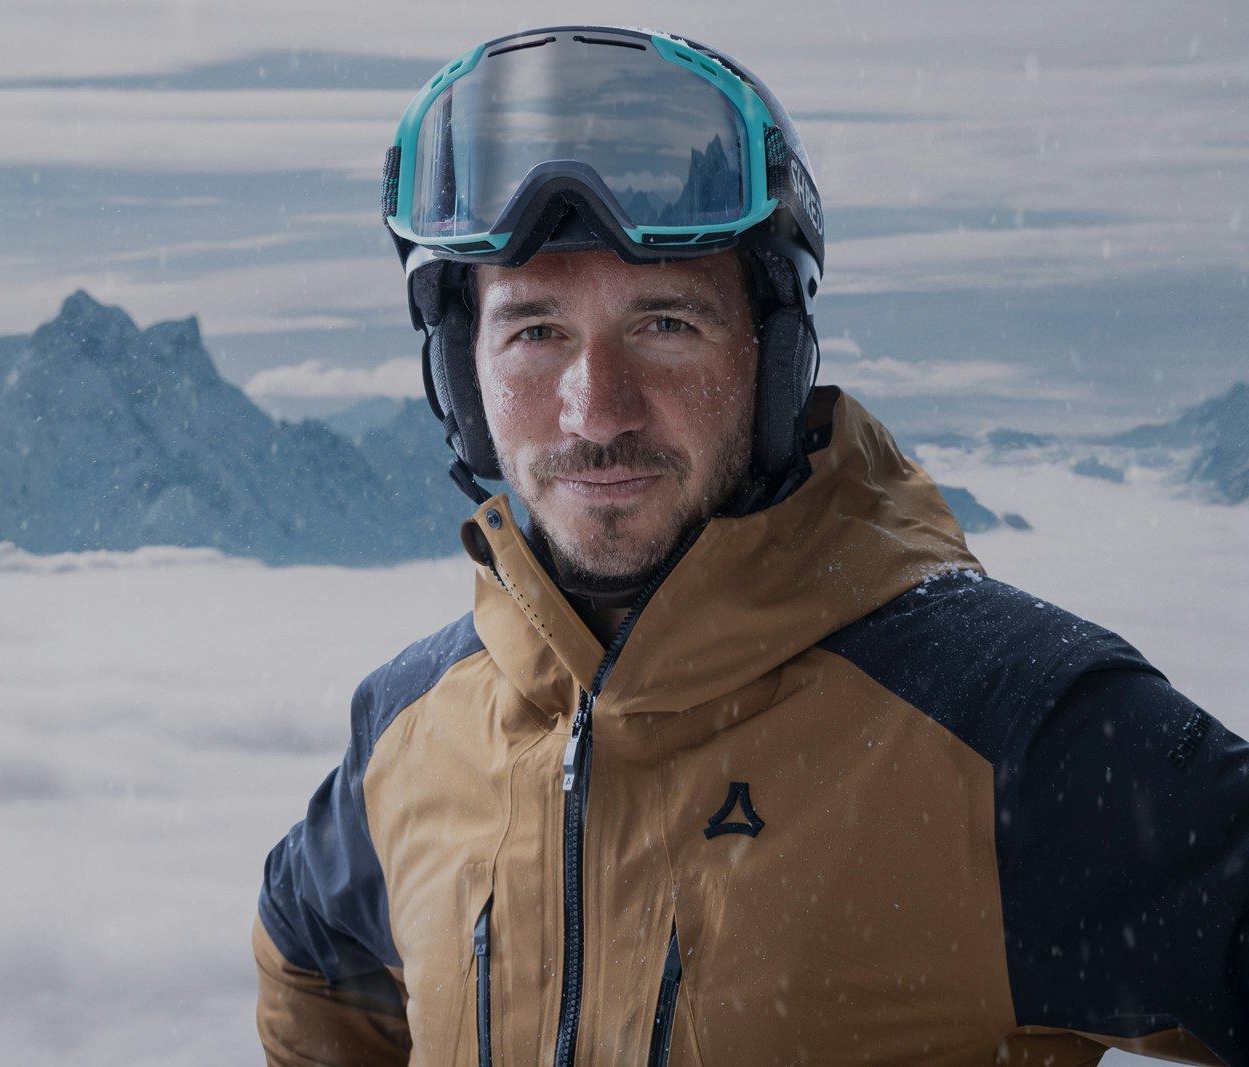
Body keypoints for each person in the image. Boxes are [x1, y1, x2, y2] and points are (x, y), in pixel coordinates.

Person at [252, 25, 1249, 1066]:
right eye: (534, 332)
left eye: (664, 324)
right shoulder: (412, 726)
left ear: (771, 358)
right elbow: (311, 960)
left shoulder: (1001, 724)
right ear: (462, 379)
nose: (595, 409)